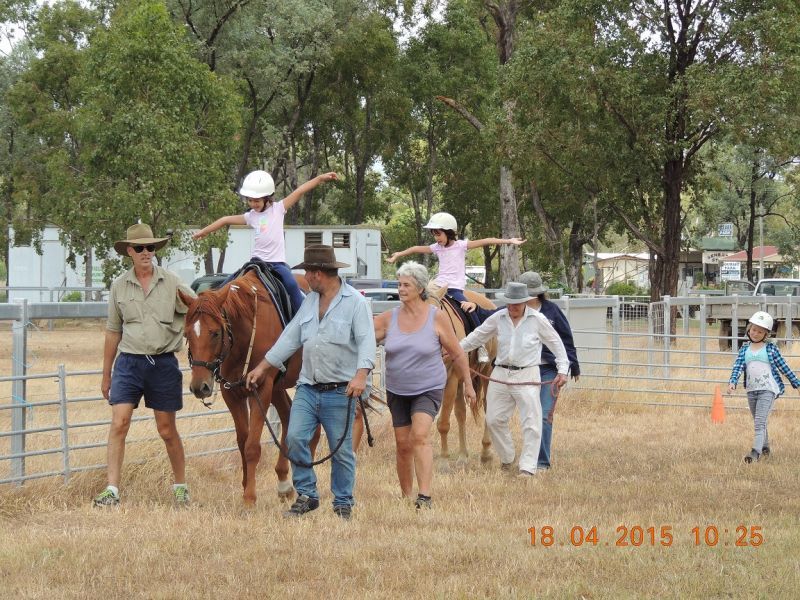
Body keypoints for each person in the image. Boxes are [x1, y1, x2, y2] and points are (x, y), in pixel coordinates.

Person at [246, 244, 375, 520]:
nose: (305, 276)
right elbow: (291, 337)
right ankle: (307, 494)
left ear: (319, 273)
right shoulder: (309, 302)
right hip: (307, 386)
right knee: (294, 438)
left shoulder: (356, 303)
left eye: (307, 271)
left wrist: (361, 375)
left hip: (341, 389)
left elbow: (367, 342)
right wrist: (263, 367)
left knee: (340, 451)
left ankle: (343, 502)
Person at [93, 223, 196, 507]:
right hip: (128, 363)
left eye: (150, 247)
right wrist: (106, 375)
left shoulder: (173, 282)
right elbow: (113, 331)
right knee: (119, 423)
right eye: (139, 248)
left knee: (166, 429)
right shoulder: (119, 286)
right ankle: (112, 489)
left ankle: (180, 486)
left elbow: (199, 310)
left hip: (163, 364)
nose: (146, 252)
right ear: (129, 251)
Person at [373, 261, 476, 509]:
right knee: (402, 443)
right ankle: (406, 495)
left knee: (419, 436)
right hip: (397, 389)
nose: (401, 289)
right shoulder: (388, 318)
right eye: (399, 284)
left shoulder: (437, 318)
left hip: (427, 387)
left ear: (420, 288)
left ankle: (425, 496)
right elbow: (361, 341)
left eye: (406, 284)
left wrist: (469, 385)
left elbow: (458, 354)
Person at [459, 282, 569, 477]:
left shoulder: (538, 319)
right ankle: (508, 457)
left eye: (516, 304)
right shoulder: (498, 317)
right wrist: (456, 350)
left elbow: (556, 344)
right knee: (493, 419)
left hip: (527, 374)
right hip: (500, 373)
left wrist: (562, 370)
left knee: (531, 422)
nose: (512, 308)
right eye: (509, 304)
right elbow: (478, 336)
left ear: (525, 302)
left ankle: (527, 467)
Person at [193, 170, 338, 312]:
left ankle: (303, 321)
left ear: (267, 198)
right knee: (227, 284)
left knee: (292, 285)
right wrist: (204, 232)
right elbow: (225, 220)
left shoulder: (279, 208)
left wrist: (320, 178)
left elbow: (300, 191)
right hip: (256, 262)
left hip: (276, 264)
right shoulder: (251, 216)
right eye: (250, 200)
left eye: (256, 200)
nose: (253, 204)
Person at [518, 271, 580, 470]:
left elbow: (565, 338)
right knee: (529, 415)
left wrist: (573, 365)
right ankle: (524, 457)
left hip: (549, 371)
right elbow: (491, 318)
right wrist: (475, 307)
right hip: (525, 369)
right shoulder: (514, 310)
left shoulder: (552, 311)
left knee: (544, 414)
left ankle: (542, 462)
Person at [727, 311, 800, 463]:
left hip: (768, 390)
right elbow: (738, 367)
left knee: (760, 422)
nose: (755, 333)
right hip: (751, 390)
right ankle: (765, 447)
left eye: (760, 331)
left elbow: (784, 367)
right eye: (753, 329)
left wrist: (797, 384)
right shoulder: (744, 349)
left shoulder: (771, 349)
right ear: (749, 329)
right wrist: (732, 382)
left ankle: (755, 452)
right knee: (759, 421)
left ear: (766, 334)